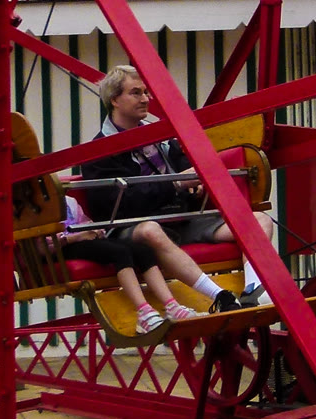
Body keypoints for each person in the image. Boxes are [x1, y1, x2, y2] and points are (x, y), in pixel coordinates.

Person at [78, 65, 273, 310]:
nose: (145, 99)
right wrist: (177, 184)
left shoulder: (159, 136)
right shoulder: (98, 151)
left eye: (146, 92)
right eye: (136, 93)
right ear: (114, 100)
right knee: (150, 230)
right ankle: (220, 296)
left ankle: (253, 291)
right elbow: (116, 206)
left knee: (259, 220)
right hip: (133, 227)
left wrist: (195, 185)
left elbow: (184, 166)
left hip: (182, 218)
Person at [58, 191, 200, 339]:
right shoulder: (44, 208)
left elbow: (85, 222)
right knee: (119, 252)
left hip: (85, 239)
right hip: (64, 247)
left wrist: (93, 229)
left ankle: (172, 305)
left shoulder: (70, 201)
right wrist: (78, 236)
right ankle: (144, 312)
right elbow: (45, 245)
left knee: (143, 251)